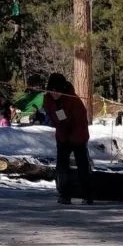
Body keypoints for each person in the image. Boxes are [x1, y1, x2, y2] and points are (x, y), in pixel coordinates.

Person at [44, 72, 93, 205]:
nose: (54, 93)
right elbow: (50, 113)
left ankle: (87, 195)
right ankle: (64, 194)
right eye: (52, 90)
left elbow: (79, 122)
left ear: (62, 89)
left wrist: (71, 138)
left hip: (77, 135)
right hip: (62, 135)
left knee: (82, 165)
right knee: (62, 166)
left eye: (57, 91)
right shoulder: (48, 98)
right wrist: (55, 124)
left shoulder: (73, 100)